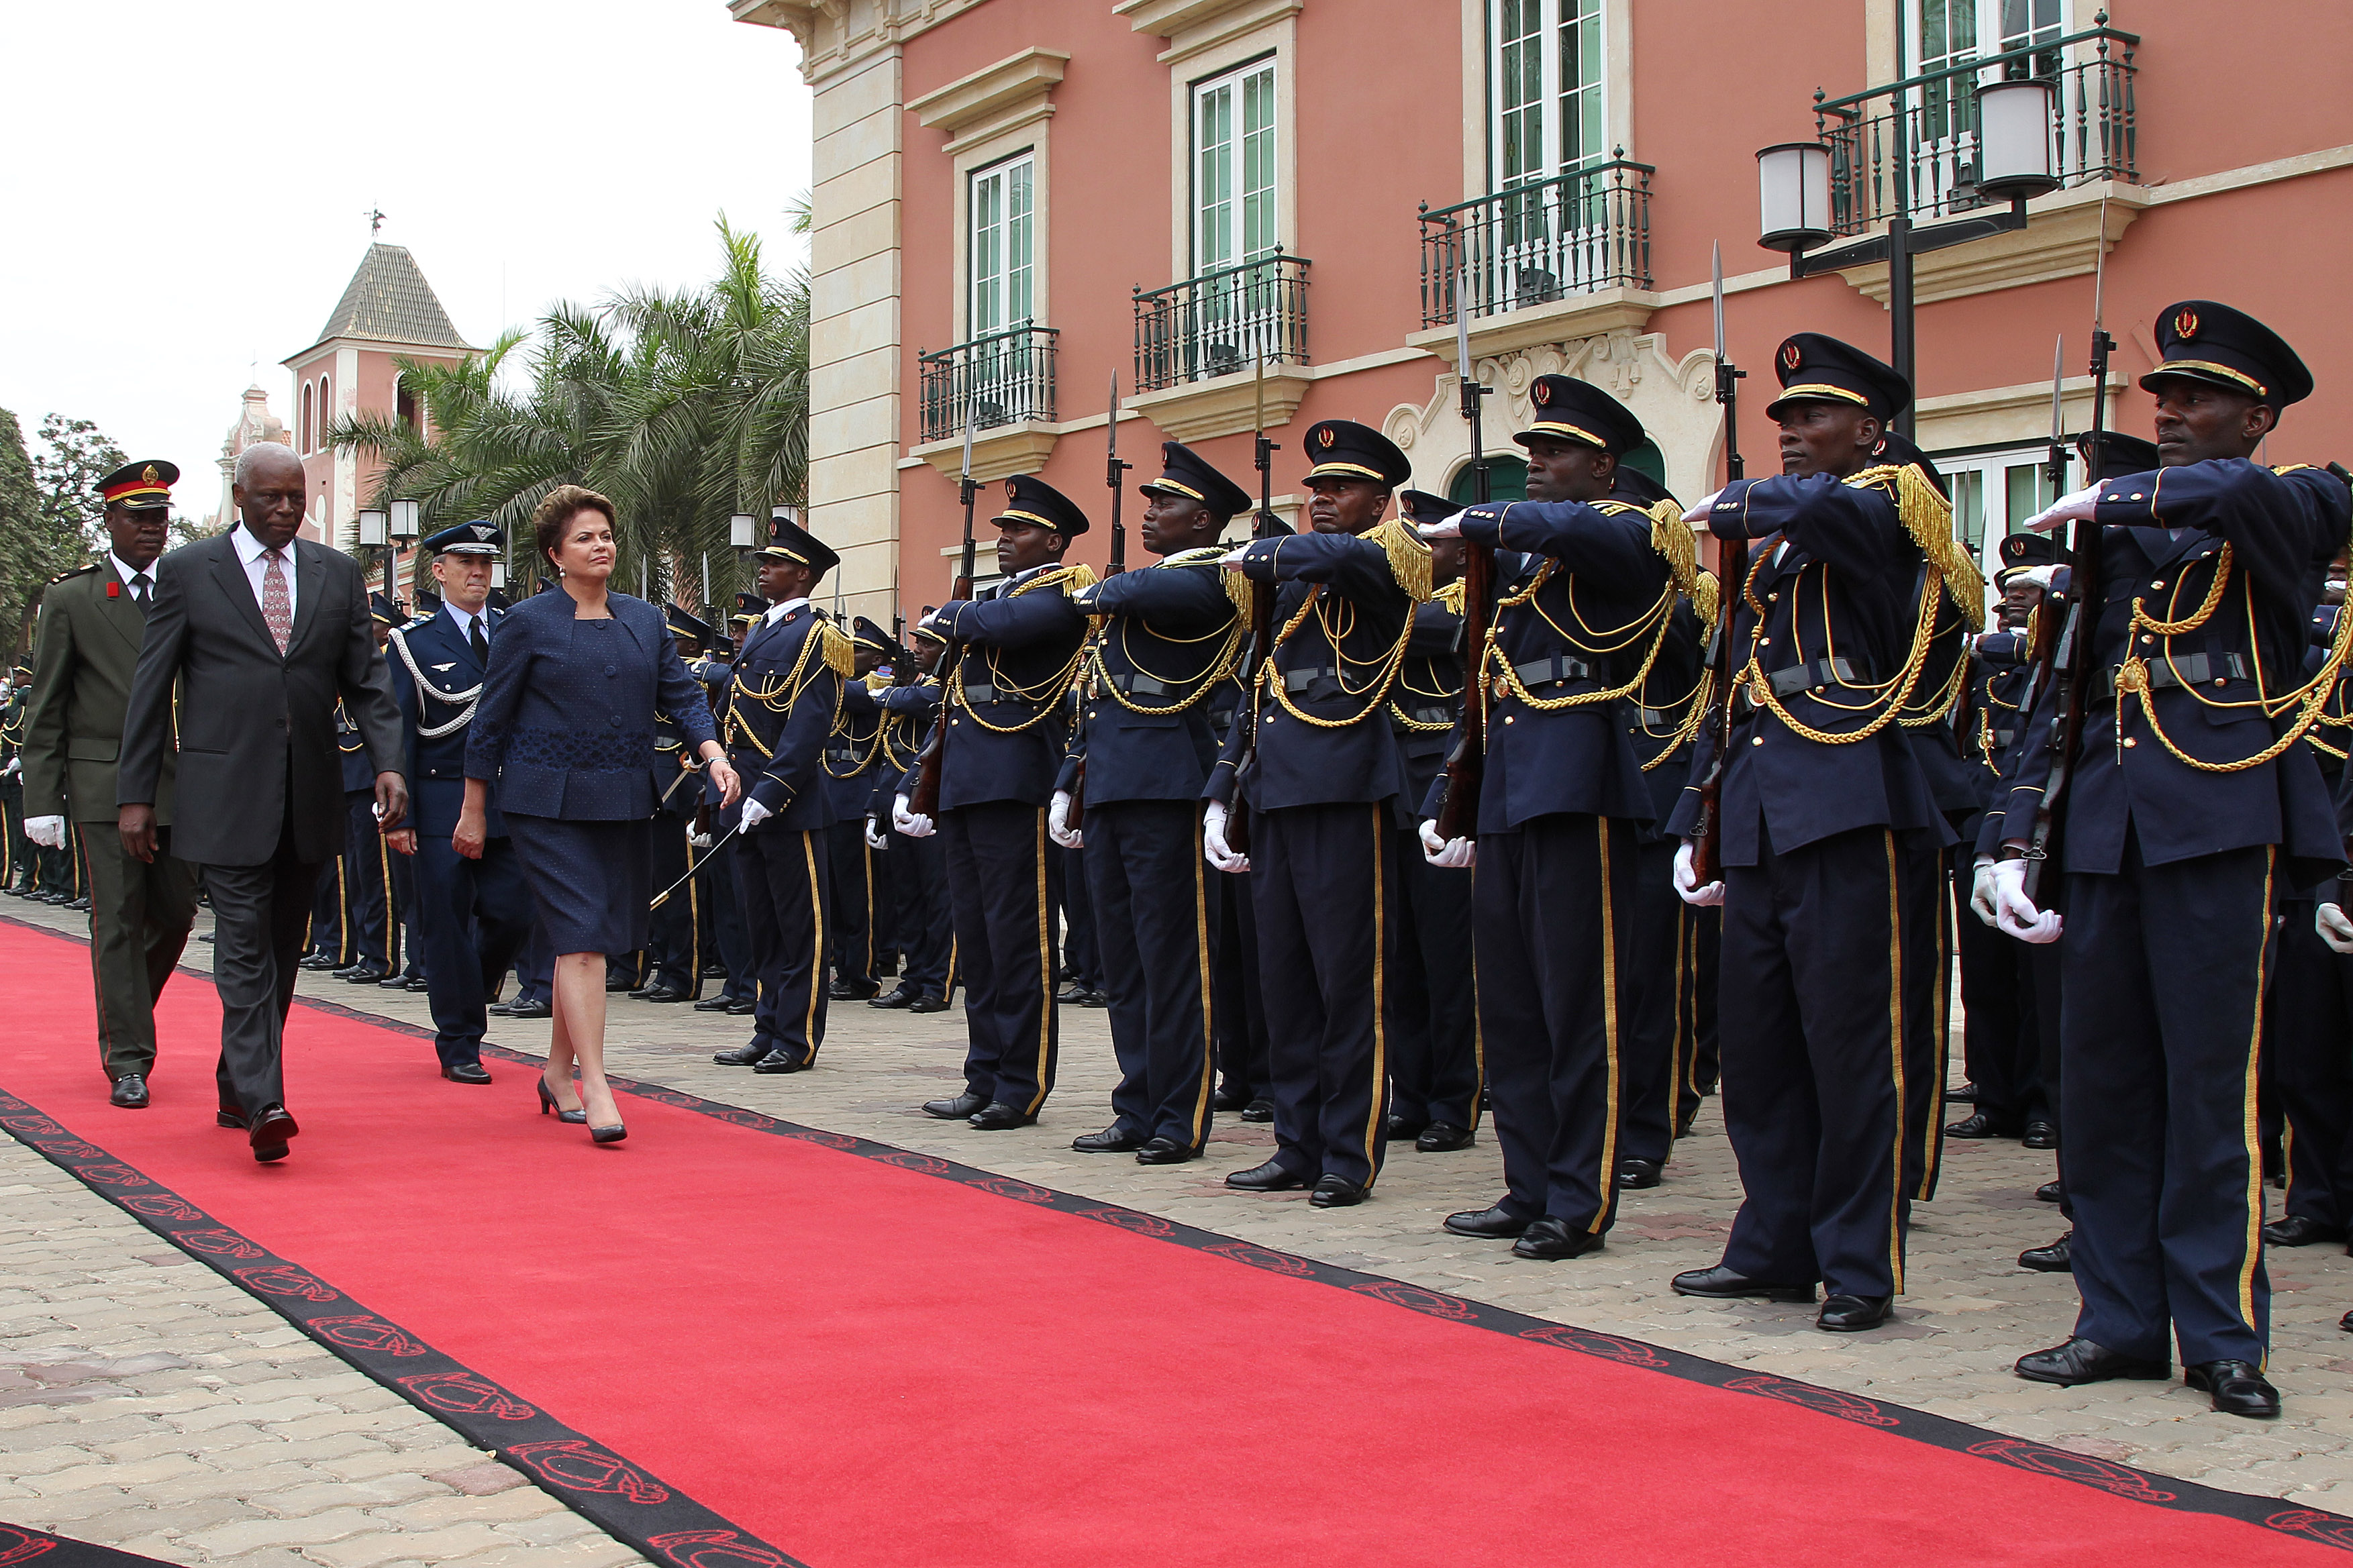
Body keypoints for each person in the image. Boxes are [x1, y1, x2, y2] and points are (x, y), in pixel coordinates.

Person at [1993, 302, 2347, 1418]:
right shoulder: (2128, 538)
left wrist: (2117, 494)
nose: (2173, 413)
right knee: (2104, 1090)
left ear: (2259, 412)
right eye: (2163, 396)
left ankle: (2223, 1333)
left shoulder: (2295, 502)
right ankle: (2118, 1320)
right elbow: (2066, 692)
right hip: (2105, 827)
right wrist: (2014, 836)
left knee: (2211, 1091)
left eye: (2198, 397)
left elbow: (2248, 498)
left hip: (2218, 825)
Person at [1665, 336, 1976, 1330]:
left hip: (1850, 802)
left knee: (1850, 1051)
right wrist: (1697, 817)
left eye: (1813, 418)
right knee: (1759, 1053)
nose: (1792, 433)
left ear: (1872, 431)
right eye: (1783, 420)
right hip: (1759, 805)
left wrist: (1734, 503)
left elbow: (1830, 511)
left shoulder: (1883, 512)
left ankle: (1856, 1266)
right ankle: (1773, 1243)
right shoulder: (1791, 539)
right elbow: (1734, 689)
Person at [1417, 378, 1681, 1257]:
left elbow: (1582, 534)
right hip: (1505, 788)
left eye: (1553, 453)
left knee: (1579, 1006)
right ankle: (1524, 1183)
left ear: (1603, 465)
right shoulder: (1526, 559)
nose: (1535, 467)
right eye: (1528, 453)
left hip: (1580, 783)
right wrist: (1445, 799)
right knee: (1514, 1006)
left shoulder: (1628, 530)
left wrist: (1482, 524)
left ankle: (1578, 1197)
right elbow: (1482, 685)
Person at [115, 442, 408, 1163]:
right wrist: (136, 797)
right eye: (270, 498)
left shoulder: (336, 575)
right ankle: (264, 1099)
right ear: (240, 496)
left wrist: (388, 764)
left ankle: (234, 1081)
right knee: (243, 946)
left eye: (295, 498)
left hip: (308, 796)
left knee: (282, 947)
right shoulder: (189, 572)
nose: (284, 511)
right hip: (223, 796)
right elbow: (151, 691)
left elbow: (366, 683)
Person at [462, 485, 738, 1143]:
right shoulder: (527, 622)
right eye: (585, 537)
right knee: (582, 934)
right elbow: (491, 721)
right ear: (556, 554)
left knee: (585, 940)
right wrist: (474, 809)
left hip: (621, 797)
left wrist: (714, 753)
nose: (601, 545)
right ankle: (596, 1083)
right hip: (544, 804)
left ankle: (558, 1074)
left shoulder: (644, 620)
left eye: (606, 535)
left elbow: (681, 696)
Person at [1207, 419, 1428, 1208]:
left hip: (1345, 790)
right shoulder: (1295, 586)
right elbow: (1255, 688)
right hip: (1276, 794)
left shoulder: (1385, 562)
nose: (1323, 499)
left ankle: (1347, 1152)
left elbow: (1335, 557)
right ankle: (1295, 1143)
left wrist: (1260, 553)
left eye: (1341, 488)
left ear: (1381, 499)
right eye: (1316, 489)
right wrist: (1222, 792)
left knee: (1348, 983)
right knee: (1286, 983)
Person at [1051, 441, 1248, 1164]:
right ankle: (1136, 1103)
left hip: (1168, 789)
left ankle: (1179, 1114)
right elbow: (1098, 694)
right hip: (1111, 787)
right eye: (1150, 502)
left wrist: (1099, 592)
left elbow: (1147, 594)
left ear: (1202, 521)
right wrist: (1070, 781)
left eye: (1164, 505)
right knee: (1126, 962)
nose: (1150, 514)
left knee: (1176, 961)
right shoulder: (1145, 584)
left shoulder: (1212, 580)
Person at [895, 475, 1095, 1129]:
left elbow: (1005, 623)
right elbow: (945, 696)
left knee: (1019, 939)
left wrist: (951, 616)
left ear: (1054, 540)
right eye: (1002, 528)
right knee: (976, 940)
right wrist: (916, 784)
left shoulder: (1060, 593)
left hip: (1016, 777)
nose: (1002, 539)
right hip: (964, 779)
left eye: (1018, 530)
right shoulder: (986, 604)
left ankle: (1022, 1082)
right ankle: (982, 1074)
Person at [19, 459, 203, 1108]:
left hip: (179, 782)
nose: (154, 529)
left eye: (162, 517)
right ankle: (128, 1056)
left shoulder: (186, 588)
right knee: (118, 922)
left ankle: (128, 1012)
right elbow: (47, 706)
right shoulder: (74, 598)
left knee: (177, 913)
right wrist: (42, 801)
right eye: (140, 517)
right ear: (111, 520)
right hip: (103, 785)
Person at [383, 521, 532, 1084]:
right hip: (441, 800)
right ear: (439, 572)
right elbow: (395, 732)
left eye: (485, 563)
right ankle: (460, 1040)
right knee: (445, 924)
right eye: (466, 563)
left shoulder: (517, 632)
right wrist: (401, 818)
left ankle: (471, 991)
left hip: (509, 802)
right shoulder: (413, 645)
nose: (478, 573)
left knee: (513, 912)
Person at [709, 513, 851, 1076]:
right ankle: (767, 1026)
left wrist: (772, 790)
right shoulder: (766, 632)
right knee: (762, 924)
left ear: (804, 574)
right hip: (744, 803)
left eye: (775, 563)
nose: (763, 570)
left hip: (786, 805)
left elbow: (809, 723)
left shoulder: (817, 634)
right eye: (765, 562)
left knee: (800, 929)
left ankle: (796, 1037)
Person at [1385, 489, 1481, 1155]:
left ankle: (1454, 1099)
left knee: (1449, 959)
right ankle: (1410, 1093)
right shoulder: (1393, 607)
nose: (1419, 553)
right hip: (1388, 785)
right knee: (1399, 959)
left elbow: (1433, 635)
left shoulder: (1467, 605)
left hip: (1442, 787)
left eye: (1432, 543)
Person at [871, 625, 954, 1012]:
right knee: (908, 895)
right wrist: (879, 806)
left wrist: (887, 694)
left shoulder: (949, 685)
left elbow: (927, 702)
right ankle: (914, 977)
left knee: (940, 898)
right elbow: (889, 749)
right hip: (902, 798)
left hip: (934, 798)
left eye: (929, 643)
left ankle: (938, 982)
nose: (918, 648)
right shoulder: (917, 684)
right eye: (918, 641)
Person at [825, 617, 894, 1000]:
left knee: (860, 897)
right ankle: (844, 968)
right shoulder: (842, 687)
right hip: (832, 800)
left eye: (859, 650)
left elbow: (853, 698)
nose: (850, 655)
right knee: (837, 894)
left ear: (878, 658)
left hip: (856, 800)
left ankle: (863, 972)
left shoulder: (878, 685)